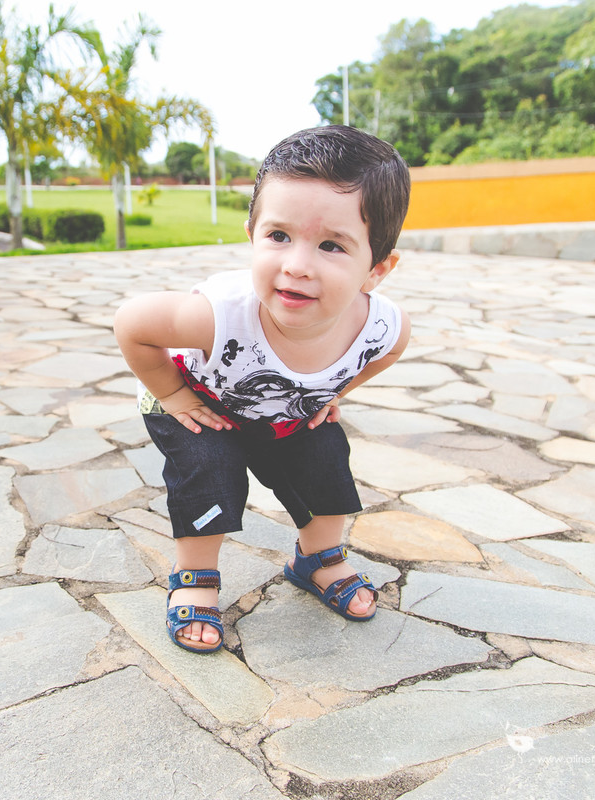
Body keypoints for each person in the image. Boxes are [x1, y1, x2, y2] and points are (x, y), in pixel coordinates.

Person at [114, 125, 412, 653]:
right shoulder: (217, 316)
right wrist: (174, 395)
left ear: (377, 268)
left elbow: (388, 353)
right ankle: (196, 576)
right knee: (211, 469)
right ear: (251, 232)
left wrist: (337, 389)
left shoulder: (382, 327)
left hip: (284, 408)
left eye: (331, 246)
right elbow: (132, 323)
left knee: (325, 457)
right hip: (196, 398)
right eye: (279, 236)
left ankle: (318, 558)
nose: (297, 265)